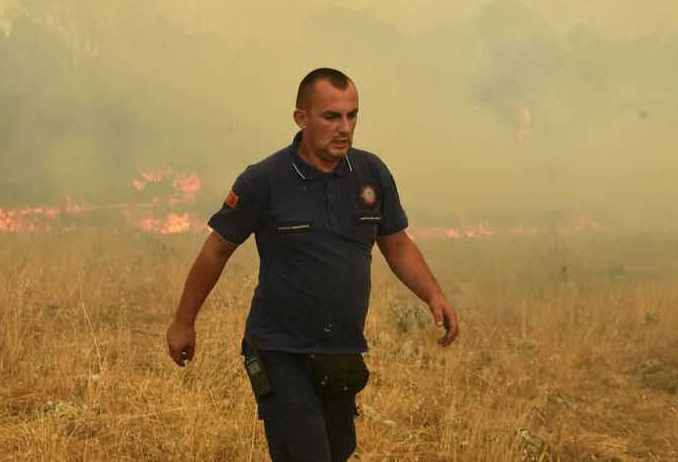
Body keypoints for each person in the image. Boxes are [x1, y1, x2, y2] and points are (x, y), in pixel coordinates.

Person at [166, 68, 459, 461]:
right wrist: (184, 321)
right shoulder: (264, 180)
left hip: (340, 352)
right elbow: (216, 250)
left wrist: (433, 295)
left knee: (339, 450)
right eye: (331, 117)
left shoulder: (371, 174)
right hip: (281, 351)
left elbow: (397, 244)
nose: (345, 128)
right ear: (301, 118)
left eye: (352, 115)